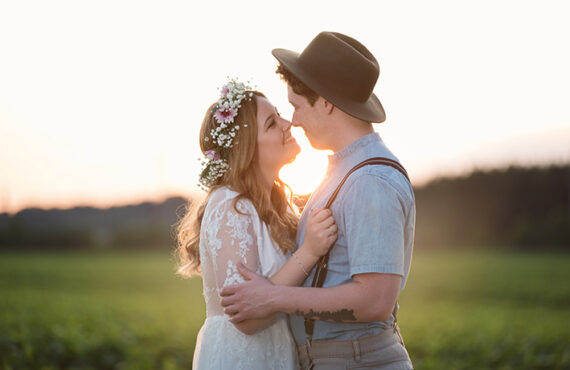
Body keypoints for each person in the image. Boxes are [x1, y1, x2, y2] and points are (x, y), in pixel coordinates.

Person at [220, 32, 415, 369]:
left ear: (325, 102)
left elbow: (375, 300)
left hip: (358, 360)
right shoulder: (345, 170)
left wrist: (272, 296)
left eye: (296, 106)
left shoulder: (369, 180)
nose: (292, 120)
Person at [175, 78, 338, 370]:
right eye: (272, 124)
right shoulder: (229, 206)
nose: (288, 124)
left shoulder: (277, 206)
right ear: (247, 149)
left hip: (277, 355)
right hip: (242, 359)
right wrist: (309, 252)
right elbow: (246, 319)